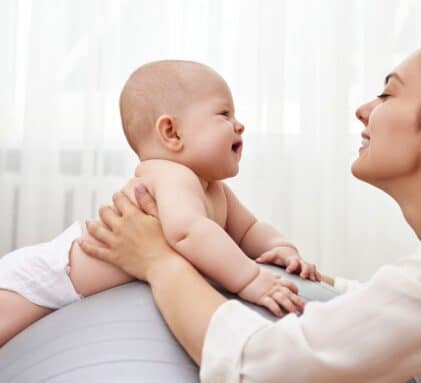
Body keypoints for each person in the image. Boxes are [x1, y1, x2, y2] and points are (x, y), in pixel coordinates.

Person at [79, 34, 421, 382]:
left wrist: (159, 262)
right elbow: (393, 308)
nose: (364, 109)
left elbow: (263, 369)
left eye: (388, 93)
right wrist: (320, 282)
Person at [0, 60, 320, 348]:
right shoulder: (169, 175)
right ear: (171, 132)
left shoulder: (215, 190)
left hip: (69, 287)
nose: (239, 125)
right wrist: (251, 280)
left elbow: (250, 229)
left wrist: (283, 248)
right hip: (50, 275)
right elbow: (187, 233)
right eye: (224, 114)